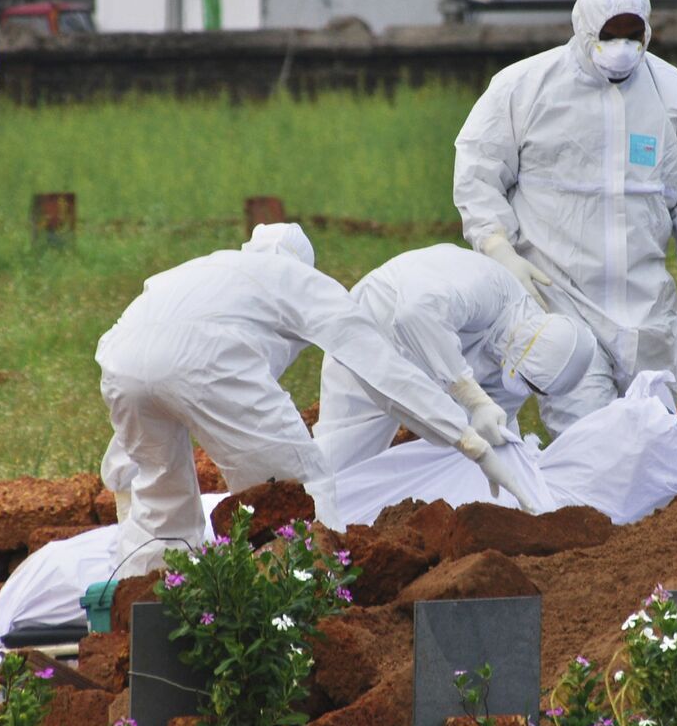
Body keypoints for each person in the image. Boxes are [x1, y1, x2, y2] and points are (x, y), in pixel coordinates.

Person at [95, 224, 537, 578]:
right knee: (296, 495)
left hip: (120, 359)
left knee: (164, 508)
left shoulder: (202, 270)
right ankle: (310, 613)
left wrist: (124, 474)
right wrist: (464, 437)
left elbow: (147, 370)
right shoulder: (293, 279)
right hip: (207, 361)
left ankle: (134, 610)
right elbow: (376, 362)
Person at [454, 0, 677, 434]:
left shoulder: (674, 95)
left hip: (647, 319)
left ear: (648, 29)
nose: (622, 46)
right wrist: (498, 248)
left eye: (632, 33)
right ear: (584, 26)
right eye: (609, 32)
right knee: (588, 445)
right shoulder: (524, 88)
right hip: (563, 308)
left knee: (650, 447)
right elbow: (478, 171)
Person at [315, 244, 598, 473]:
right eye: (531, 384)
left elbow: (494, 423)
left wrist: (511, 461)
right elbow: (414, 315)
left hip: (427, 364)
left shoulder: (522, 360)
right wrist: (472, 396)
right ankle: (306, 530)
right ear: (529, 350)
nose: (527, 392)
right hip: (373, 325)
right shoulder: (489, 288)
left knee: (450, 459)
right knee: (339, 462)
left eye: (537, 390)